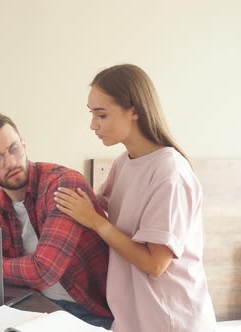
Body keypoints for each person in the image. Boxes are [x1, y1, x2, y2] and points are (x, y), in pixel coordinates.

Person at [54, 64, 216, 332]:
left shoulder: (170, 173)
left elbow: (155, 264)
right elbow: (93, 207)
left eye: (102, 115)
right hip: (132, 321)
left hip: (172, 322)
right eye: (92, 114)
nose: (93, 125)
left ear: (134, 111)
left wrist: (97, 222)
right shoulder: (124, 162)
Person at [0, 113, 113, 329]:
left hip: (86, 313)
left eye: (13, 149)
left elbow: (43, 271)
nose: (10, 162)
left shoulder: (62, 184)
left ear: (23, 144)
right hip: (31, 308)